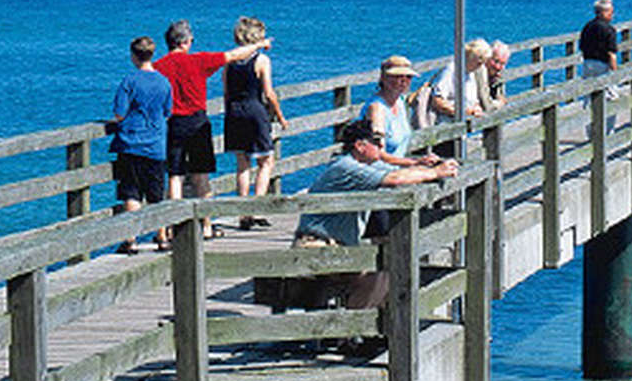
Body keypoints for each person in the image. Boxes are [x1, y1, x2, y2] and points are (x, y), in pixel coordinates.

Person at [291, 118, 458, 308]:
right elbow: (395, 179)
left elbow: (400, 171)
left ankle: (355, 325)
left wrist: (430, 167)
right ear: (360, 146)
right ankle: (353, 326)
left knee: (385, 264)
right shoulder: (347, 167)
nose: (382, 147)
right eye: (376, 142)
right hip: (315, 246)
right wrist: (436, 173)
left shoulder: (363, 165)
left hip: (332, 245)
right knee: (384, 266)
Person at [153, 18, 270, 236]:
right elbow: (234, 55)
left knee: (174, 176)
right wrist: (259, 45)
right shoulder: (199, 61)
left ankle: (172, 227)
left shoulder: (159, 67)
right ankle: (206, 226)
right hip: (198, 123)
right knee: (201, 177)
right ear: (187, 41)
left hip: (174, 124)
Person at [108, 36, 173, 253]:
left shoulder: (129, 81)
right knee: (156, 195)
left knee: (132, 193)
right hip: (155, 146)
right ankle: (162, 236)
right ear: (152, 54)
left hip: (131, 144)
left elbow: (119, 113)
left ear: (134, 56)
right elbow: (167, 111)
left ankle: (131, 239)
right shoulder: (164, 82)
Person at [223, 16, 287, 230]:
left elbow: (226, 93)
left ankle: (243, 212)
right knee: (266, 161)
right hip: (254, 111)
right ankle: (257, 207)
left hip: (234, 112)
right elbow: (268, 93)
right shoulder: (261, 61)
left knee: (242, 164)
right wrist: (280, 115)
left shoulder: (229, 62)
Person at [362, 55, 441, 167]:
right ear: (383, 78)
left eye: (408, 77)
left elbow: (412, 99)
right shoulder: (377, 109)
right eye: (397, 76)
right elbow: (378, 155)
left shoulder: (400, 101)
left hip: (396, 167)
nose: (403, 81)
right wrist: (415, 162)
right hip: (379, 172)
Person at [430, 38, 491, 121]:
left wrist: (476, 108)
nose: (480, 66)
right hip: (447, 123)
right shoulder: (451, 70)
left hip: (464, 124)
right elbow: (437, 101)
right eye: (479, 62)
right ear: (471, 57)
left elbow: (473, 100)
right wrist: (461, 112)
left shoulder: (471, 73)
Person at [579, 0, 618, 76]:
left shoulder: (587, 27)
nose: (612, 15)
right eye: (611, 12)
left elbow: (582, 46)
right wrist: (615, 73)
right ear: (604, 12)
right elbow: (611, 54)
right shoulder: (609, 29)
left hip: (587, 64)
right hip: (602, 65)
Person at [475, 40, 510, 112]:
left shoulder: (498, 71)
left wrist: (496, 82)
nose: (498, 67)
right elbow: (486, 105)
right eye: (496, 61)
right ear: (487, 57)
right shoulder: (480, 70)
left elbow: (501, 96)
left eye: (502, 64)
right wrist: (499, 104)